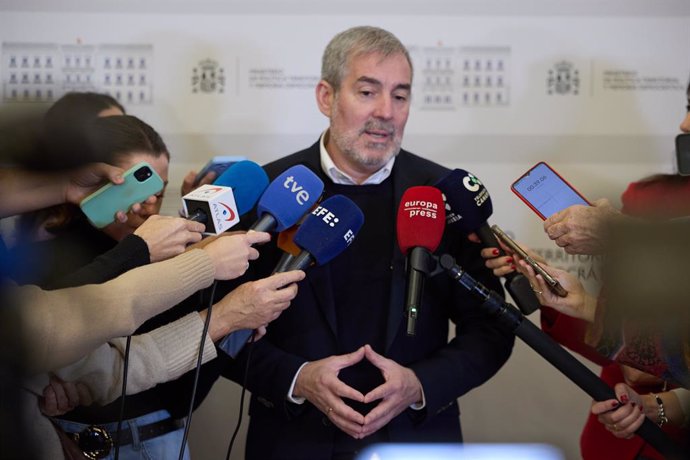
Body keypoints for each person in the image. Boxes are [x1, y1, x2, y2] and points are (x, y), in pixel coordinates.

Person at [224, 26, 514, 460]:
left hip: (416, 438)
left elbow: (492, 328)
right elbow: (216, 327)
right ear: (327, 97)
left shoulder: (442, 196)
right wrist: (297, 378)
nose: (386, 112)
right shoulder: (270, 195)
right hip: (293, 441)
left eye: (400, 96)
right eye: (367, 92)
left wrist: (420, 384)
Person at [482, 76, 690, 460]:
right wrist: (567, 301)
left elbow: (657, 358)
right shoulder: (649, 198)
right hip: (618, 439)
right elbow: (627, 344)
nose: (684, 125)